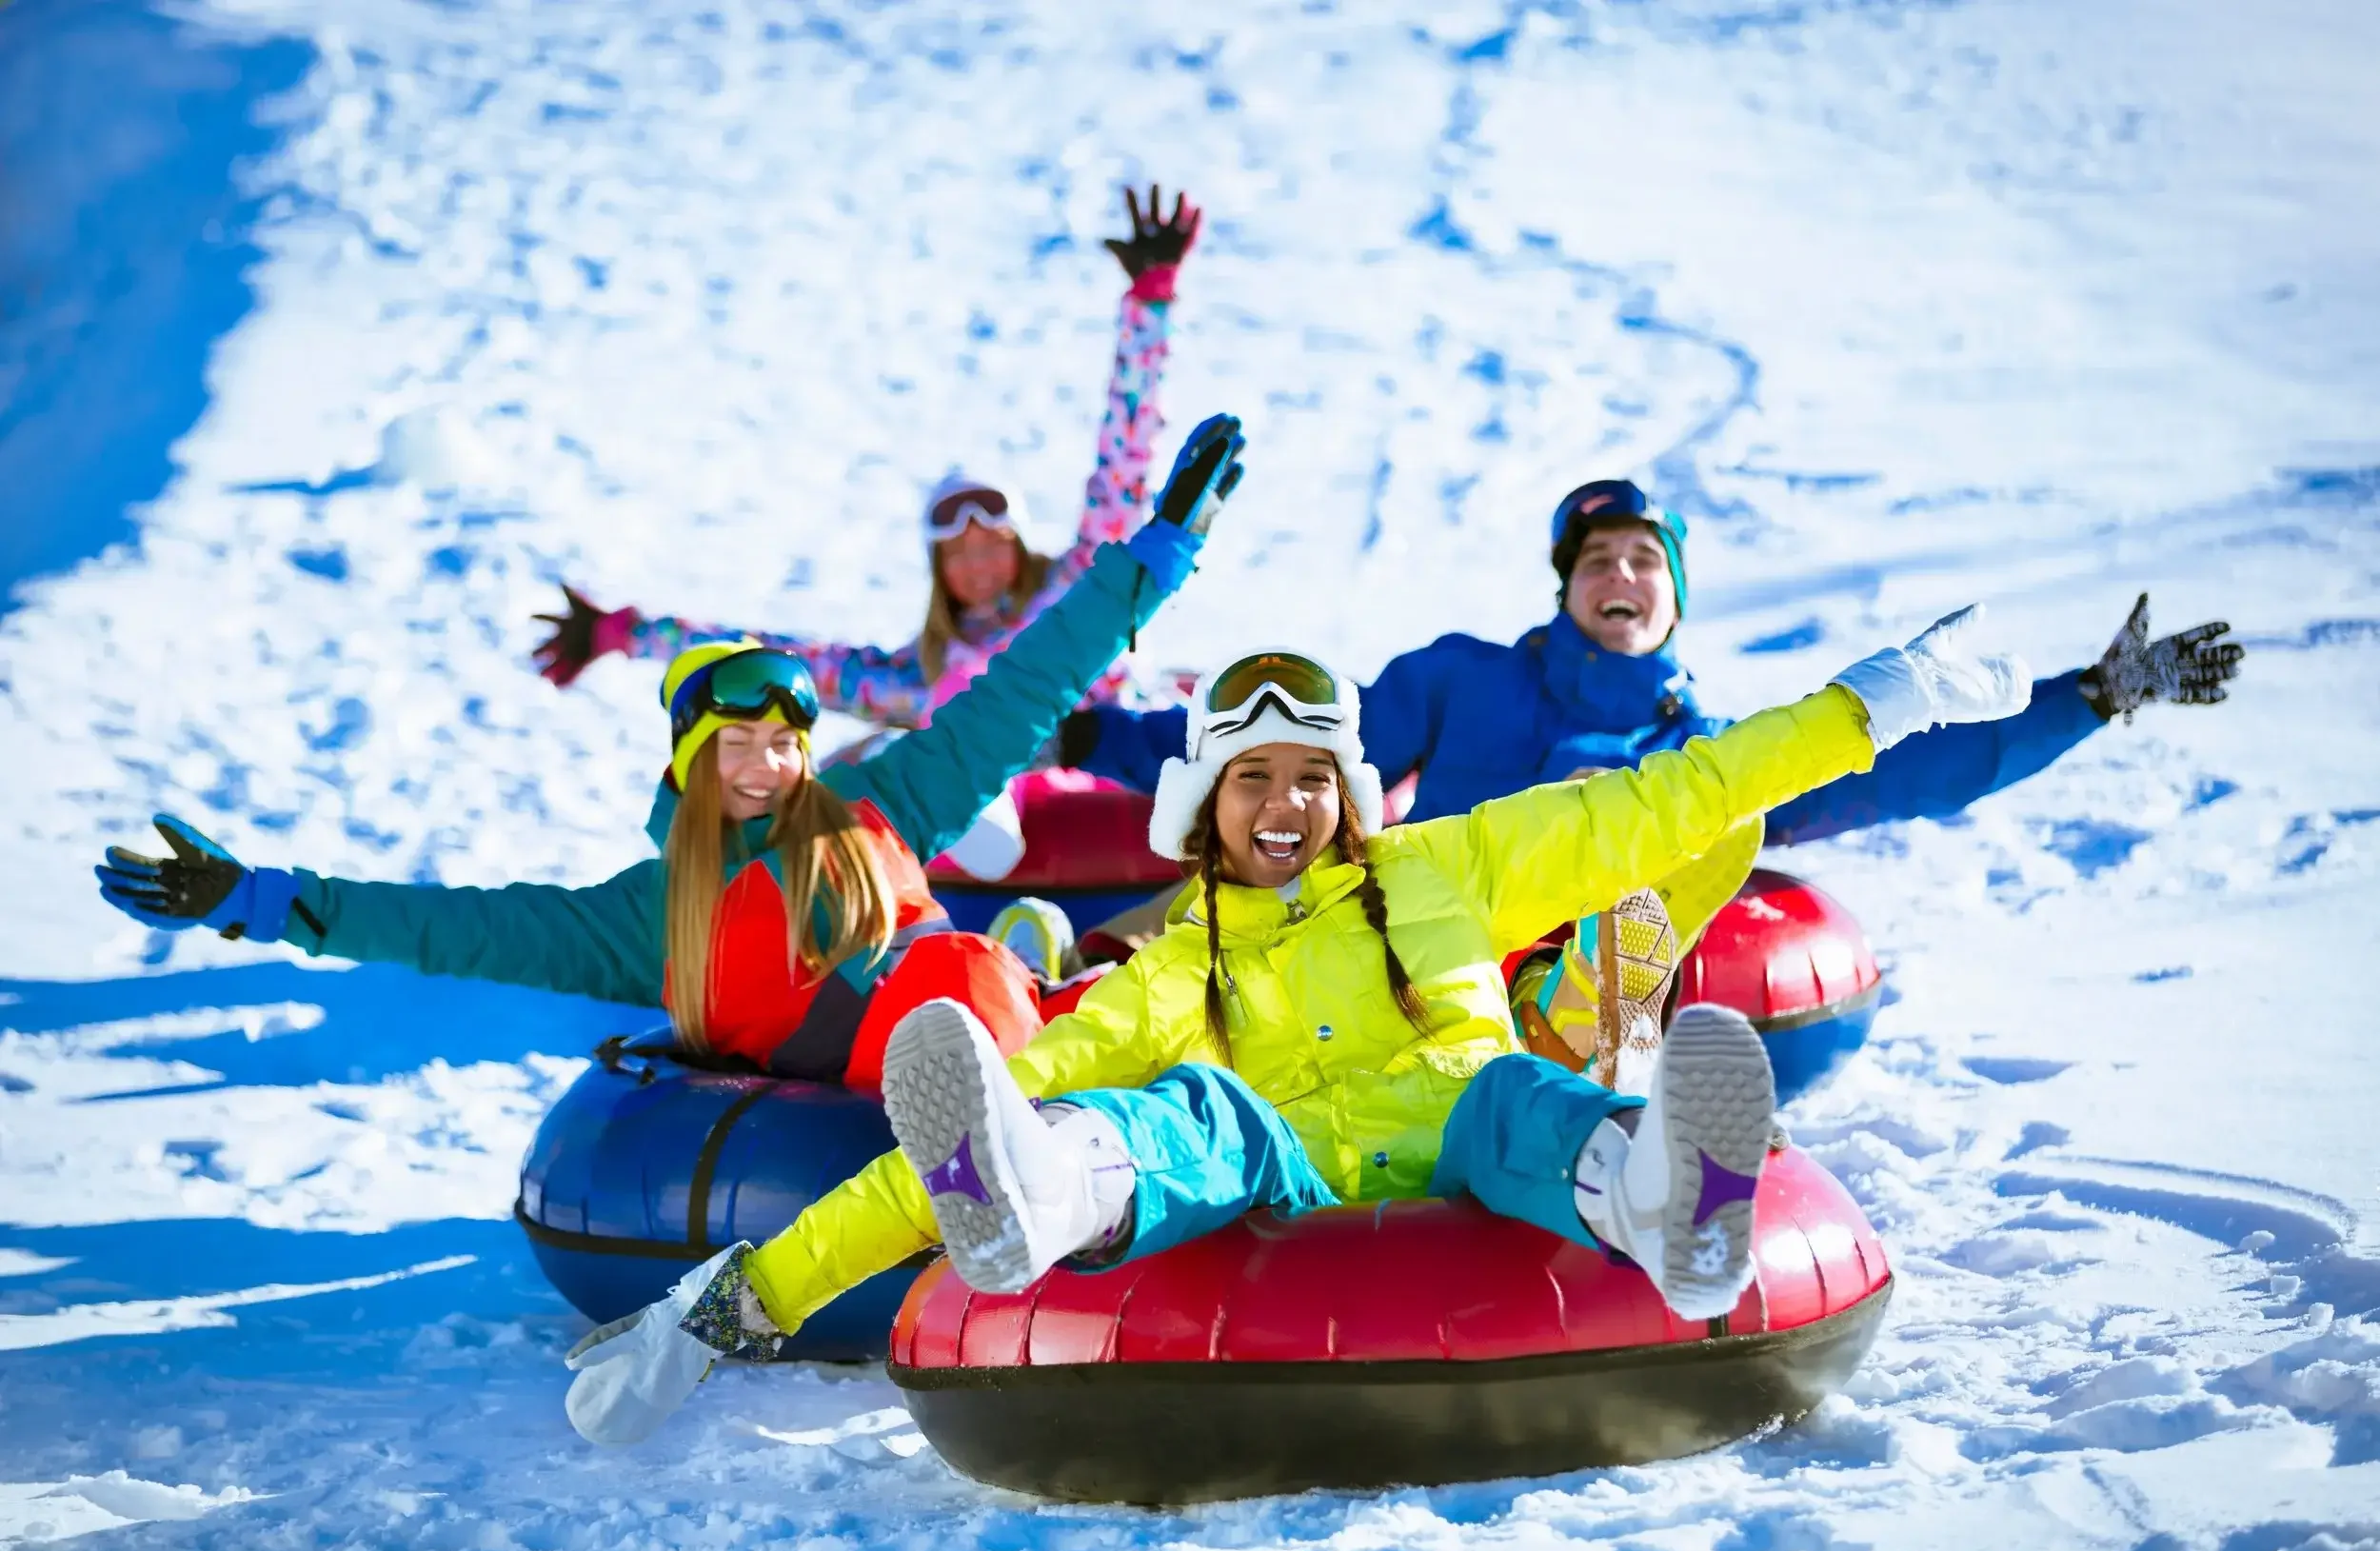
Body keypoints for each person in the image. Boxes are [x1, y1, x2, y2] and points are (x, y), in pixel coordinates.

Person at [560, 608, 2031, 1446]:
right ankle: (1035, 1202)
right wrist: (733, 1299)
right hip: (1277, 1160)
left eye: (1311, 776)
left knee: (1526, 1099)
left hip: (1461, 1119)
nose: (1286, 806)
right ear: (1207, 806)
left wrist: (1873, 700)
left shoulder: (1449, 863)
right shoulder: (1174, 964)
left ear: (1348, 788)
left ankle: (1669, 1202)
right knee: (1157, 1119)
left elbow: (1678, 795)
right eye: (1252, 779)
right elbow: (983, 1100)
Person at [92, 417, 1251, 1084]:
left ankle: (1052, 996)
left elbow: (1023, 688)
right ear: (690, 765)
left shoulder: (880, 802)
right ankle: (1003, 1045)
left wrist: (1152, 557)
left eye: (782, 742)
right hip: (880, 1082)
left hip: (985, 1026)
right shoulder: (654, 913)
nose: (764, 765)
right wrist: (268, 900)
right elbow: (460, 923)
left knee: (986, 975)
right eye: (733, 744)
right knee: (953, 985)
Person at [1062, 479, 2245, 836]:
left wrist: (2087, 698)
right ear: (1565, 585)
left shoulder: (1693, 752)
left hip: (1580, 971)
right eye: (1598, 561)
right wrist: (1085, 733)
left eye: (1644, 561)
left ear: (1674, 599)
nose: (1619, 577)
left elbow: (1906, 770)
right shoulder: (1463, 676)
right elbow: (1298, 746)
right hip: (1434, 925)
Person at [528, 184, 1204, 729]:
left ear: (1019, 544)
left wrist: (1150, 302)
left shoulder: (1081, 587)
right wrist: (626, 633)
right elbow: (782, 659)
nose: (978, 563)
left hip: (1116, 776)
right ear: (939, 573)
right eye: (958, 554)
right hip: (1014, 836)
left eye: (990, 543)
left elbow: (1124, 459)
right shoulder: (920, 680)